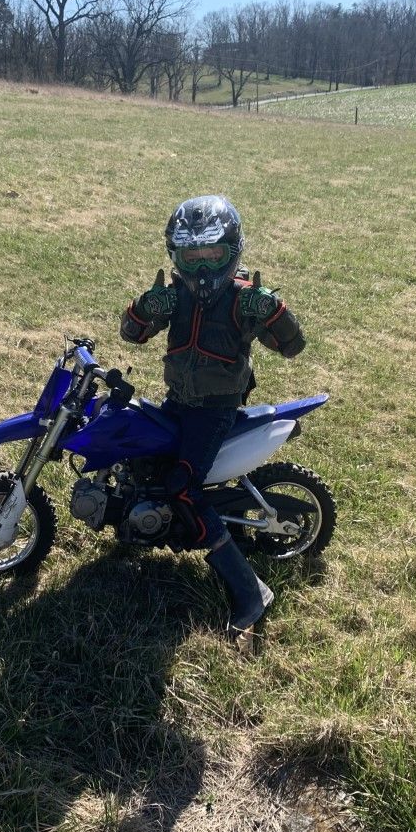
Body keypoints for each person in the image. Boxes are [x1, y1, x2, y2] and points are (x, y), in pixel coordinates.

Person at [120, 195, 306, 647]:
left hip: (217, 411)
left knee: (183, 488)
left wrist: (275, 312)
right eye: (191, 257)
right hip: (178, 401)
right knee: (137, 454)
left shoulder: (244, 301)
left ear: (233, 252)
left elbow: (293, 347)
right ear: (176, 257)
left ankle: (251, 592)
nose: (203, 269)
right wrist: (147, 307)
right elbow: (132, 334)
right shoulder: (177, 295)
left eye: (213, 255)